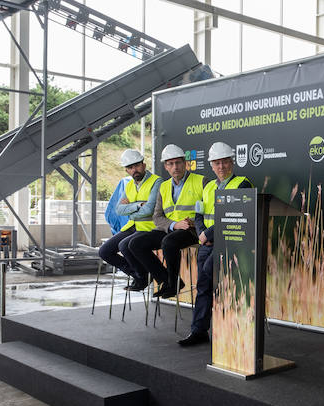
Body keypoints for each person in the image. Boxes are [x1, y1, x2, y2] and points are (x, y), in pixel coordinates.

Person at [179, 142, 253, 347]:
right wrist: (203, 233)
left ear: (232, 162)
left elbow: (236, 215)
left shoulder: (242, 184)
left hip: (231, 243)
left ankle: (231, 332)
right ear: (211, 165)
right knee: (203, 286)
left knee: (215, 279)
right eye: (217, 163)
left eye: (225, 162)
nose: (221, 166)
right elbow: (199, 213)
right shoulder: (209, 186)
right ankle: (199, 331)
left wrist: (209, 234)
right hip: (207, 244)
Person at [126, 144, 207, 297]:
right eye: (171, 164)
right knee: (135, 244)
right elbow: (157, 217)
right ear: (166, 166)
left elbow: (210, 210)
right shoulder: (163, 187)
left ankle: (172, 282)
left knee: (169, 242)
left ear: (185, 163)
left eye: (178, 162)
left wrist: (194, 222)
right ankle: (168, 280)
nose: (175, 167)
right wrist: (173, 225)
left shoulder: (201, 181)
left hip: (191, 231)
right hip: (170, 229)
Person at [98, 149, 161, 290]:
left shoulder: (156, 182)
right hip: (132, 226)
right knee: (104, 252)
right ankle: (139, 275)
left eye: (137, 165)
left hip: (149, 227)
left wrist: (130, 208)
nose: (135, 170)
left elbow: (149, 209)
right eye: (130, 167)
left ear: (144, 165)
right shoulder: (129, 185)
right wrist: (138, 205)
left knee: (125, 246)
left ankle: (142, 277)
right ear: (126, 171)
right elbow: (119, 210)